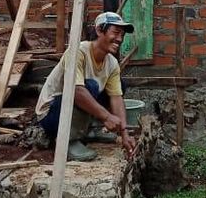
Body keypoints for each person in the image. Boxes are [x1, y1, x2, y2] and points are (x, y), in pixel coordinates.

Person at [35, 11, 137, 161]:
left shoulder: (111, 63)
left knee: (119, 86)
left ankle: (90, 130)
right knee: (89, 86)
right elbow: (76, 91)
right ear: (99, 30)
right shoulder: (78, 52)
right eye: (115, 33)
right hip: (52, 115)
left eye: (122, 35)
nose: (119, 39)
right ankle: (68, 141)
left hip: (74, 110)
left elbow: (116, 98)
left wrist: (124, 134)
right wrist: (107, 117)